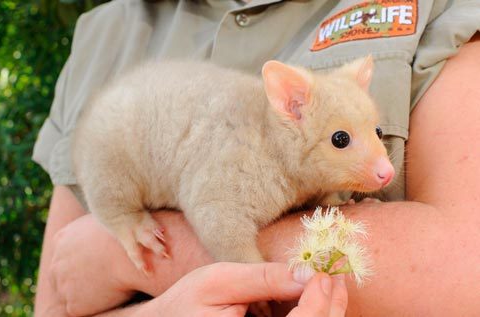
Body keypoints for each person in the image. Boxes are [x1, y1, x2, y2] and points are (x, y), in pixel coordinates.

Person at [32, 0, 480, 316]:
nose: (385, 167)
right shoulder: (105, 30)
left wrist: (117, 257)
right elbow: (57, 300)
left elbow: (465, 270)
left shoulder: (439, 6)